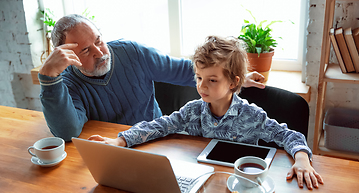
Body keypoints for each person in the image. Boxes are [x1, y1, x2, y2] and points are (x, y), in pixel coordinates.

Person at [89, 35, 324, 190]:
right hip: (201, 183)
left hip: (241, 186)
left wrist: (302, 159)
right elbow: (159, 125)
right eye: (199, 78)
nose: (202, 86)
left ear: (233, 83)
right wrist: (120, 140)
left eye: (212, 80)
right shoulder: (192, 111)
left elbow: (289, 136)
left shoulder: (252, 115)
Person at [38, 14, 265, 142]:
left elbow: (182, 70)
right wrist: (49, 78)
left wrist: (232, 78)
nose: (99, 53)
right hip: (112, 146)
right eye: (86, 51)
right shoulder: (66, 82)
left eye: (98, 40)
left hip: (155, 139)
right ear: (68, 56)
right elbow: (68, 132)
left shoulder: (132, 52)